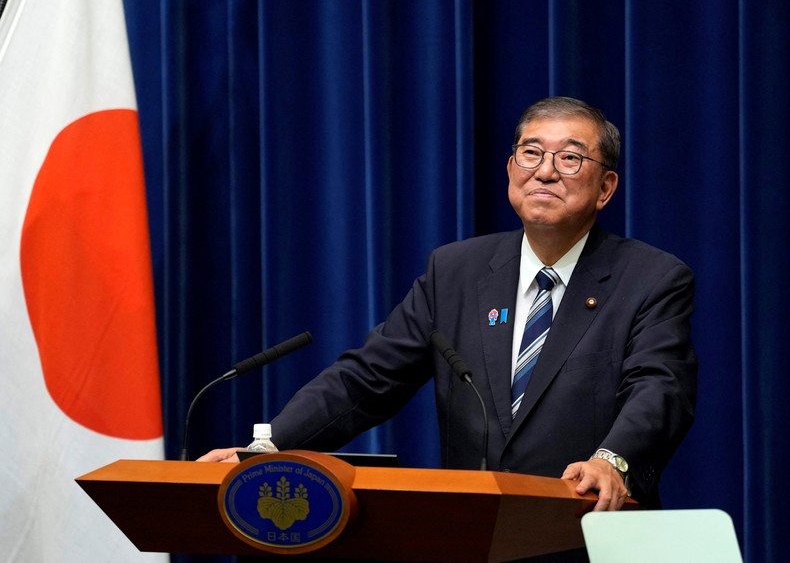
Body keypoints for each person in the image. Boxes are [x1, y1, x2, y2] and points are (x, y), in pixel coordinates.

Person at [199, 96, 697, 518]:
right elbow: (367, 379)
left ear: (605, 188)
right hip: (474, 532)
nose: (545, 172)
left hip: (585, 527)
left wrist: (614, 459)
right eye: (530, 153)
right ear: (510, 170)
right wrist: (268, 449)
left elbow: (660, 387)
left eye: (570, 159)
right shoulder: (456, 271)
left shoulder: (650, 278)